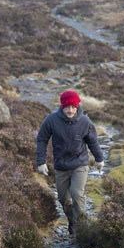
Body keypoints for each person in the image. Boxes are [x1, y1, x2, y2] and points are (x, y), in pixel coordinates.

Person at [36, 90, 104, 235]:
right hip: (61, 166)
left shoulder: (85, 122)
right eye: (67, 107)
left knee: (76, 194)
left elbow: (93, 142)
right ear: (62, 106)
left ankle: (81, 230)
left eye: (73, 107)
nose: (70, 110)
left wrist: (99, 159)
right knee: (63, 199)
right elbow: (42, 139)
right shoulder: (51, 120)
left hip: (80, 164)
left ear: (78, 106)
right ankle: (73, 221)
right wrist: (41, 162)